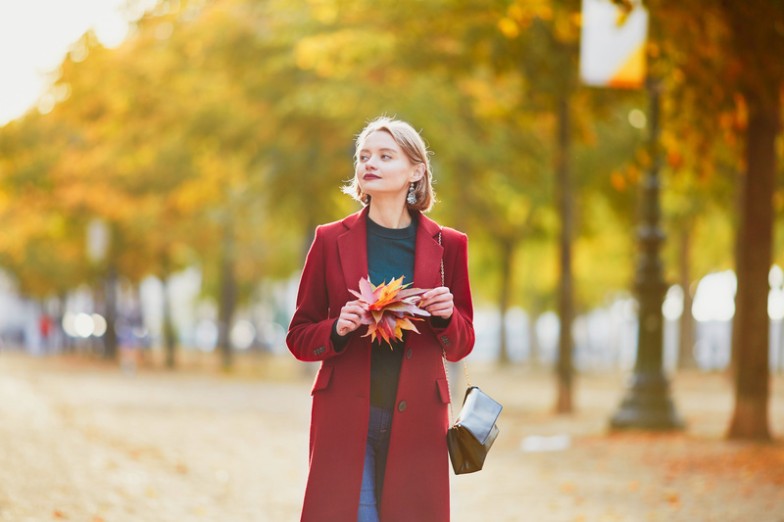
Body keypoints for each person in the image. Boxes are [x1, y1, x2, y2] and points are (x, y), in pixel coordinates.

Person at [286, 116, 475, 521]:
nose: (369, 163)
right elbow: (300, 336)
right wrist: (336, 329)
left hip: (421, 421)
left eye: (385, 156)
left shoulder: (449, 245)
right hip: (344, 416)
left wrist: (446, 317)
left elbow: (462, 343)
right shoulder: (328, 239)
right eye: (363, 156)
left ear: (416, 170)